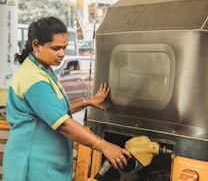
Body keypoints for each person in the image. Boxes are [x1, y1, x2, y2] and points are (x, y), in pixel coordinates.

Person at [3, 16, 131, 181]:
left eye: (64, 47)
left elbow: (54, 108)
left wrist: (88, 101)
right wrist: (104, 146)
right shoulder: (34, 79)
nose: (62, 54)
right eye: (56, 48)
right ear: (36, 45)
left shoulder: (43, 70)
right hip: (34, 165)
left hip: (47, 164)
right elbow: (62, 123)